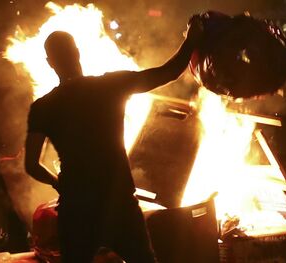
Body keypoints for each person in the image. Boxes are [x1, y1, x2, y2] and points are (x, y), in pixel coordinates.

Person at [25, 17, 203, 262]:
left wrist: (58, 182)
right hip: (118, 204)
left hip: (77, 208)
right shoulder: (110, 85)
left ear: (50, 63)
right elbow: (168, 73)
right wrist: (191, 39)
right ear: (77, 52)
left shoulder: (43, 107)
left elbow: (31, 165)